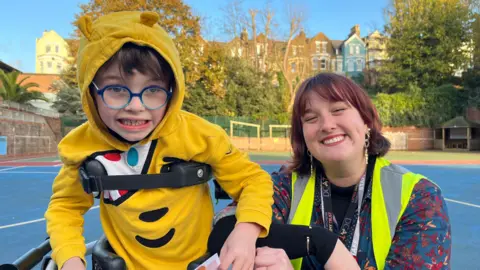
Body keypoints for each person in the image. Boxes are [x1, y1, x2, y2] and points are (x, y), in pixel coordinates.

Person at [44, 11, 273, 270]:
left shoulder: (199, 136)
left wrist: (246, 230)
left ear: (172, 91)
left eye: (153, 90)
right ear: (91, 92)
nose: (135, 106)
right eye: (117, 90)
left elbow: (253, 180)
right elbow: (65, 208)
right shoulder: (82, 147)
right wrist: (70, 260)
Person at [209, 73, 451, 269]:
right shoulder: (285, 185)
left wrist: (322, 247)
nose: (327, 125)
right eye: (311, 118)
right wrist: (315, 240)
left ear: (366, 121)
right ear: (303, 136)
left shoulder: (420, 197)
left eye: (338, 110)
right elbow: (222, 231)